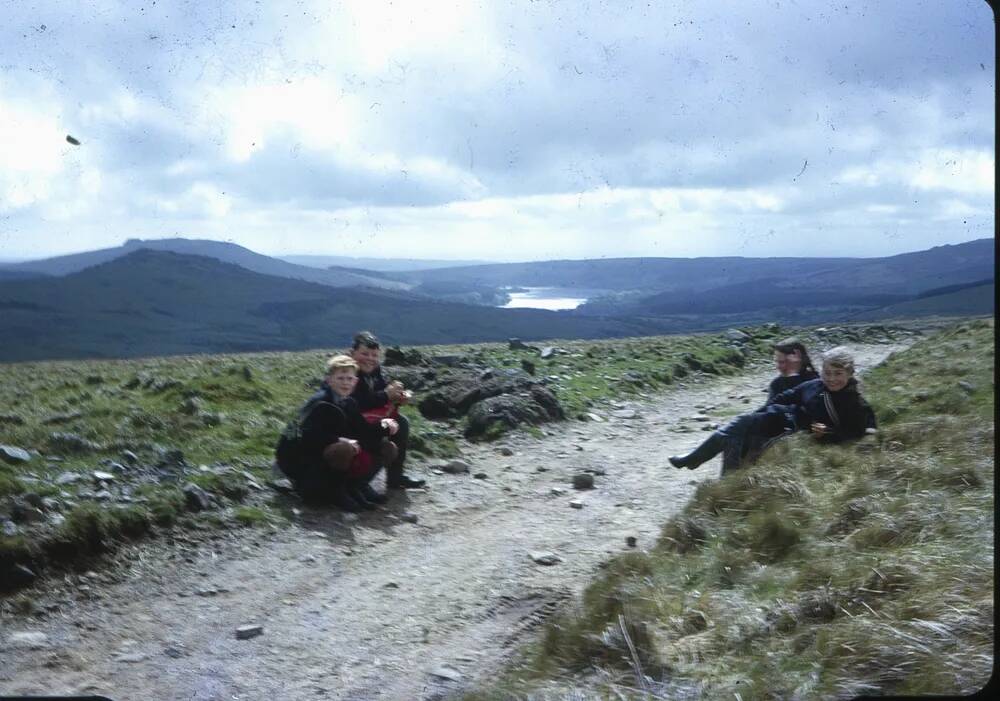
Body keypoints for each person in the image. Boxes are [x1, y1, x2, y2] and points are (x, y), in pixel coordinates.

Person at [669, 346, 877, 474]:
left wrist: (828, 432)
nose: (831, 379)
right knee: (739, 429)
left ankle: (701, 463)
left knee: (737, 433)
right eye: (827, 372)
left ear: (850, 372)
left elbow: (855, 433)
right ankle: (716, 475)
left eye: (838, 373)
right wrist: (762, 412)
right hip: (779, 419)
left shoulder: (855, 403)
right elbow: (787, 396)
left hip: (792, 431)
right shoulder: (814, 385)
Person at [276, 354, 400, 511]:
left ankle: (357, 486)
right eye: (341, 378)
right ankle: (335, 492)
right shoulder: (320, 402)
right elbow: (307, 437)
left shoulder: (349, 402)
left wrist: (383, 424)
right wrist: (341, 440)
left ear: (355, 381)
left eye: (349, 379)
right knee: (343, 448)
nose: (345, 383)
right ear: (329, 380)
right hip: (304, 463)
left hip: (324, 458)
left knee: (387, 447)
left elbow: (363, 431)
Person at [349, 330, 426, 490]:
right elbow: (355, 402)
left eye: (374, 355)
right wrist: (386, 395)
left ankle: (395, 477)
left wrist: (397, 398)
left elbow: (380, 396)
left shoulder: (375, 372)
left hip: (369, 418)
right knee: (383, 436)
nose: (370, 359)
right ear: (352, 353)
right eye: (365, 354)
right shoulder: (345, 371)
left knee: (401, 423)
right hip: (349, 422)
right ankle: (357, 482)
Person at [767, 337, 819, 402]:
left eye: (782, 362)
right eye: (776, 361)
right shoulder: (776, 384)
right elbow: (767, 409)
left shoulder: (815, 381)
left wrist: (793, 375)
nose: (778, 366)